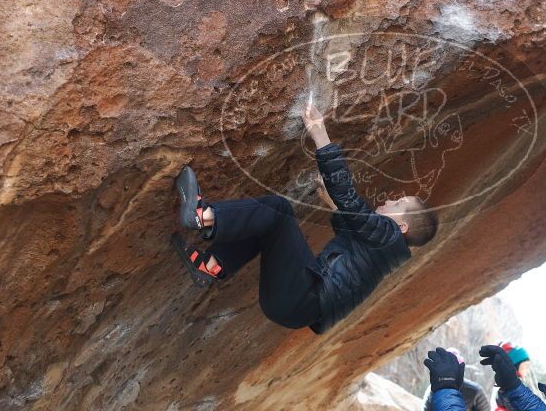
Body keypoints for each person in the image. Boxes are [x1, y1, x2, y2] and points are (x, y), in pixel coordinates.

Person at [171, 101, 438, 334]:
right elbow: (351, 234)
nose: (390, 200)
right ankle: (212, 265)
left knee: (279, 210)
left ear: (401, 226)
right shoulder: (385, 250)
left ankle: (202, 216)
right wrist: (332, 203)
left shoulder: (387, 236)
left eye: (399, 203)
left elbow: (348, 198)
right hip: (295, 306)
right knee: (267, 227)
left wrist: (320, 135)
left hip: (303, 297)